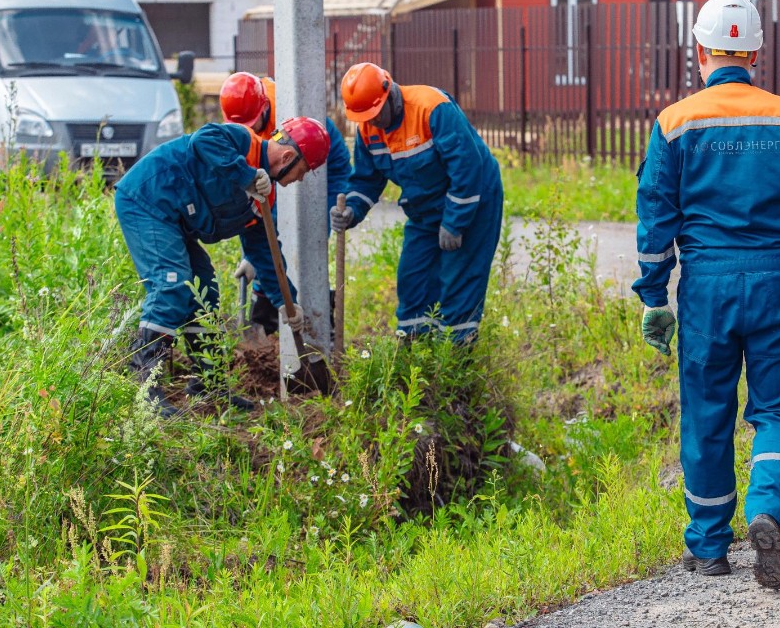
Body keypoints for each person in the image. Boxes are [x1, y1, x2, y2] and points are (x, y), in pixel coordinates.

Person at [632, 0, 780, 589]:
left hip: (707, 286)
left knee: (707, 412)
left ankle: (710, 547)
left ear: (701, 49)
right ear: (755, 52)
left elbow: (655, 218)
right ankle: (768, 508)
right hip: (776, 281)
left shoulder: (675, 121)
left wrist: (652, 295)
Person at [114, 116, 331, 417]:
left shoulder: (262, 199)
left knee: (204, 288)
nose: (301, 179)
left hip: (175, 221)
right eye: (303, 171)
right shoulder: (243, 142)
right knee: (172, 285)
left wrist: (287, 302)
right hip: (148, 200)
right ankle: (143, 387)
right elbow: (203, 140)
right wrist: (246, 176)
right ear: (288, 157)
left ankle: (208, 384)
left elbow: (265, 252)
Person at [331, 62, 503, 344]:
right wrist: (351, 209)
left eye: (375, 114)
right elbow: (365, 179)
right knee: (414, 279)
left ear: (390, 94)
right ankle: (415, 358)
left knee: (458, 282)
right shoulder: (367, 130)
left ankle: (455, 366)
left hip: (472, 199)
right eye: (365, 117)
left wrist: (455, 222)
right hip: (424, 208)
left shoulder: (432, 108)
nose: (372, 122)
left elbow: (468, 168)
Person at [219, 71, 352, 333]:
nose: (249, 132)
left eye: (253, 125)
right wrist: (251, 256)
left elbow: (329, 163)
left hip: (319, 170)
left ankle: (320, 318)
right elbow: (254, 203)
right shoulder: (240, 117)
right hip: (280, 169)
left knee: (308, 242)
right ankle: (267, 322)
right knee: (268, 241)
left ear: (265, 109)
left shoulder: (288, 111)